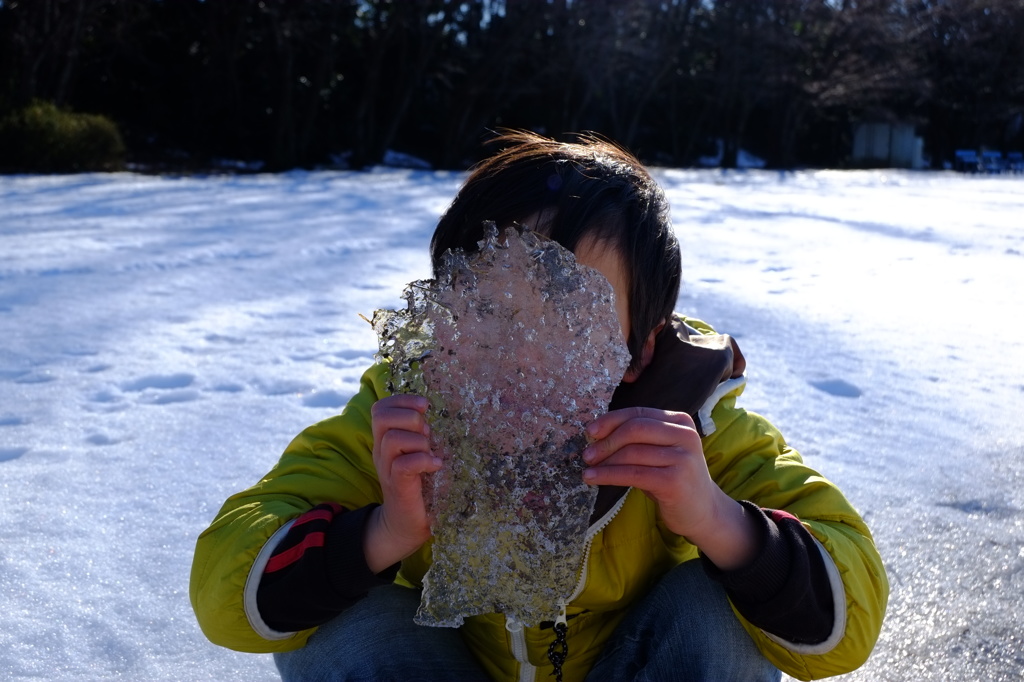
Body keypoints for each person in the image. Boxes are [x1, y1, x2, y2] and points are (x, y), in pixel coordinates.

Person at [190, 131, 888, 682]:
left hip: (638, 665)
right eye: (485, 306)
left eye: (568, 315)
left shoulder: (691, 424)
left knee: (717, 615)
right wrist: (382, 533)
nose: (514, 352)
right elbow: (226, 591)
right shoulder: (410, 414)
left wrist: (720, 521)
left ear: (636, 355)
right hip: (448, 668)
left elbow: (847, 625)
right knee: (338, 620)